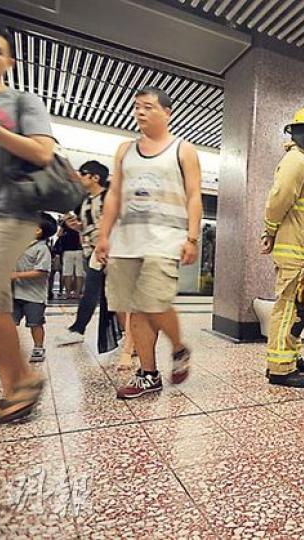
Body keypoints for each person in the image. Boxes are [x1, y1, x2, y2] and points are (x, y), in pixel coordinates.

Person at [95, 86, 202, 399]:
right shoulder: (124, 151)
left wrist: (192, 237)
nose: (141, 112)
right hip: (126, 241)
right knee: (134, 311)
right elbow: (114, 195)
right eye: (137, 107)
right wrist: (104, 235)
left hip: (165, 238)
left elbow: (195, 195)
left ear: (167, 113)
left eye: (148, 107)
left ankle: (180, 348)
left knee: (153, 302)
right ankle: (149, 374)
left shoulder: (183, 150)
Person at [0, 21, 53, 426]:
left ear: (9, 60)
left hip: (10, 211)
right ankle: (16, 392)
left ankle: (23, 382)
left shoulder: (22, 102)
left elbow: (43, 153)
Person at [260, 107, 304, 388]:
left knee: (299, 306)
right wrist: (269, 230)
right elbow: (278, 200)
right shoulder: (295, 161)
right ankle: (279, 368)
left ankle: (291, 353)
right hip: (294, 250)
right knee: (289, 306)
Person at [55, 160, 110, 346]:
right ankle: (127, 334)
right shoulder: (86, 201)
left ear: (95, 177)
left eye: (83, 173)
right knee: (102, 293)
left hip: (107, 252)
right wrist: (77, 227)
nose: (79, 177)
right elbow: (88, 227)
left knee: (95, 292)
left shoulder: (109, 198)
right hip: (91, 252)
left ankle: (78, 328)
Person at [12, 213, 56, 362]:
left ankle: (38, 347)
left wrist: (15, 275)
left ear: (37, 230)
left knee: (35, 323)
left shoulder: (42, 249)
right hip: (15, 293)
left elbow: (41, 272)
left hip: (34, 296)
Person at [57, 219, 84, 299]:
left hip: (77, 251)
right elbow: (59, 235)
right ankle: (69, 293)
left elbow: (81, 238)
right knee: (68, 273)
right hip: (70, 251)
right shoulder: (65, 227)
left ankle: (76, 293)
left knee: (78, 273)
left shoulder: (77, 224)